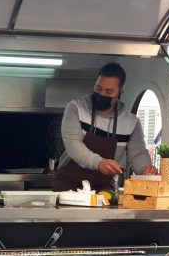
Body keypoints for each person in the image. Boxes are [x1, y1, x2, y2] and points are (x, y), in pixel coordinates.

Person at [53, 62, 158, 192]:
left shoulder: (131, 123)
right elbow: (73, 145)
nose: (102, 94)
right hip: (68, 186)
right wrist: (99, 163)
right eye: (98, 89)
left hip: (103, 189)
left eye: (109, 91)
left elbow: (137, 154)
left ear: (120, 92)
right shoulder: (76, 108)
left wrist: (145, 170)